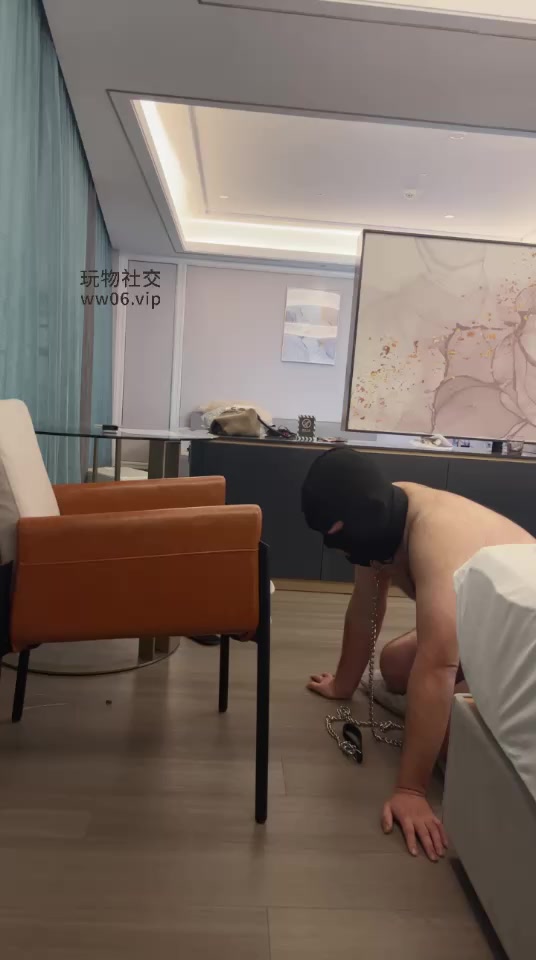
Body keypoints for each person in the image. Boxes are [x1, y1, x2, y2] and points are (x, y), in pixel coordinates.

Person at [301, 447, 535, 862]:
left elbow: (439, 664)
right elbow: (365, 607)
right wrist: (343, 685)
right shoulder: (382, 510)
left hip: (522, 636)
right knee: (394, 666)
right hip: (485, 624)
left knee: (456, 740)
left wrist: (410, 790)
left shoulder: (433, 533)